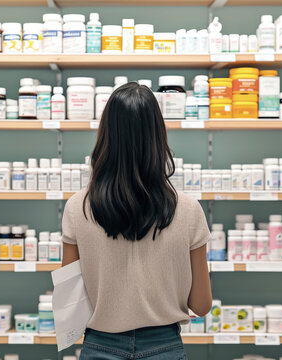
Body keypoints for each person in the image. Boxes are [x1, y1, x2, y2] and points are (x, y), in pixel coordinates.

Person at [61, 82, 212, 360]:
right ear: (158, 136)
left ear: (106, 135)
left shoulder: (77, 207)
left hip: (100, 346)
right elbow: (201, 304)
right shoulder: (189, 210)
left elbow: (69, 305)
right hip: (164, 347)